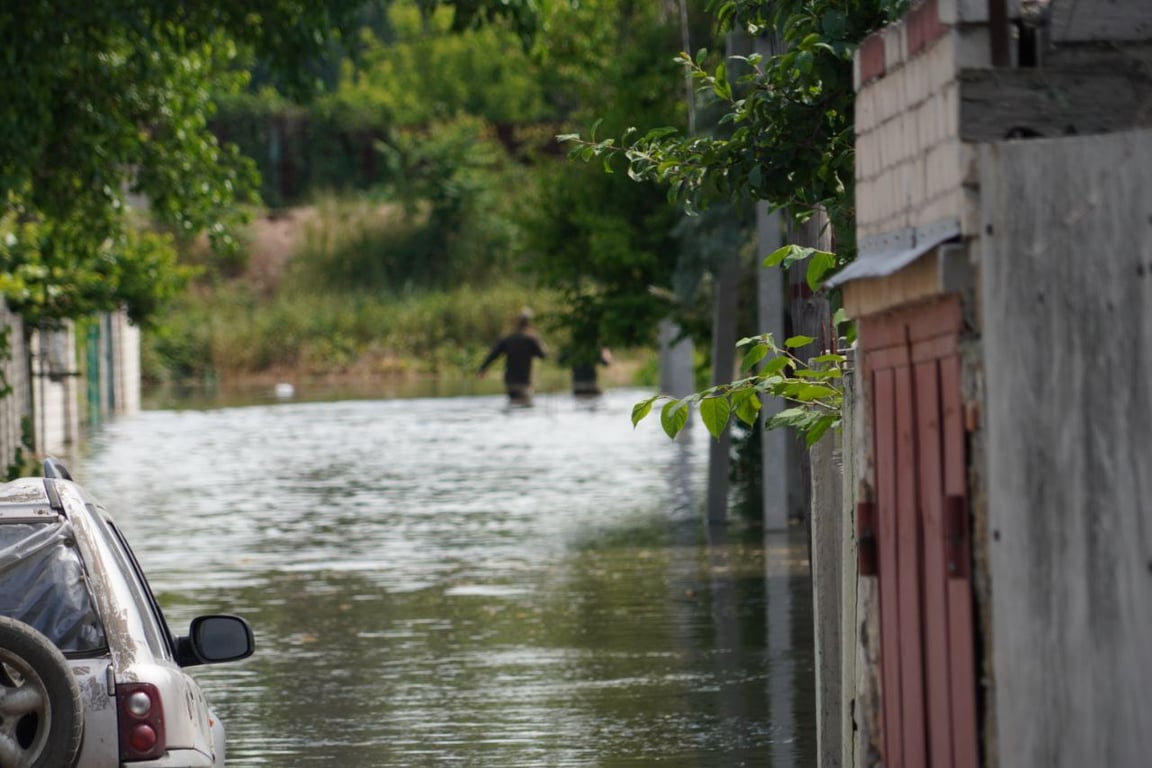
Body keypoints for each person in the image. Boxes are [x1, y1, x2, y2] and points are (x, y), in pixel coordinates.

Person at [478, 309, 547, 403]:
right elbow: (543, 355)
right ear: (529, 324)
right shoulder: (531, 339)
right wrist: (538, 338)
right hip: (524, 383)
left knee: (513, 404)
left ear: (517, 323)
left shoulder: (508, 339)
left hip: (510, 383)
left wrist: (482, 368)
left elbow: (493, 354)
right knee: (525, 407)